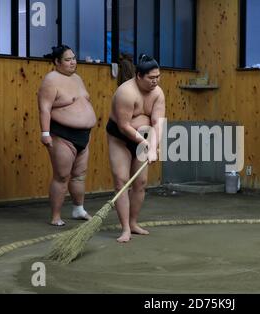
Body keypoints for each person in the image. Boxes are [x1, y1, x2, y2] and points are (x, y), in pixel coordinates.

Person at [106, 54, 165, 242]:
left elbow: (158, 122)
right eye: (151, 78)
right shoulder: (126, 92)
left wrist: (154, 147)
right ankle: (125, 229)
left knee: (140, 183)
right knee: (121, 181)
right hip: (120, 138)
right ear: (138, 75)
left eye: (158, 77)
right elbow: (124, 125)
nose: (155, 81)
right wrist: (144, 142)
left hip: (145, 137)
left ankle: (133, 223)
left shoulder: (158, 94)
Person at [38, 45, 96, 226]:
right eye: (68, 59)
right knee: (61, 176)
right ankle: (56, 216)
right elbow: (44, 108)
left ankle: (78, 209)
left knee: (79, 175)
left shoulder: (77, 78)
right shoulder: (51, 80)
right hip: (62, 135)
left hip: (83, 135)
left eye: (74, 58)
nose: (73, 62)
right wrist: (45, 133)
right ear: (57, 62)